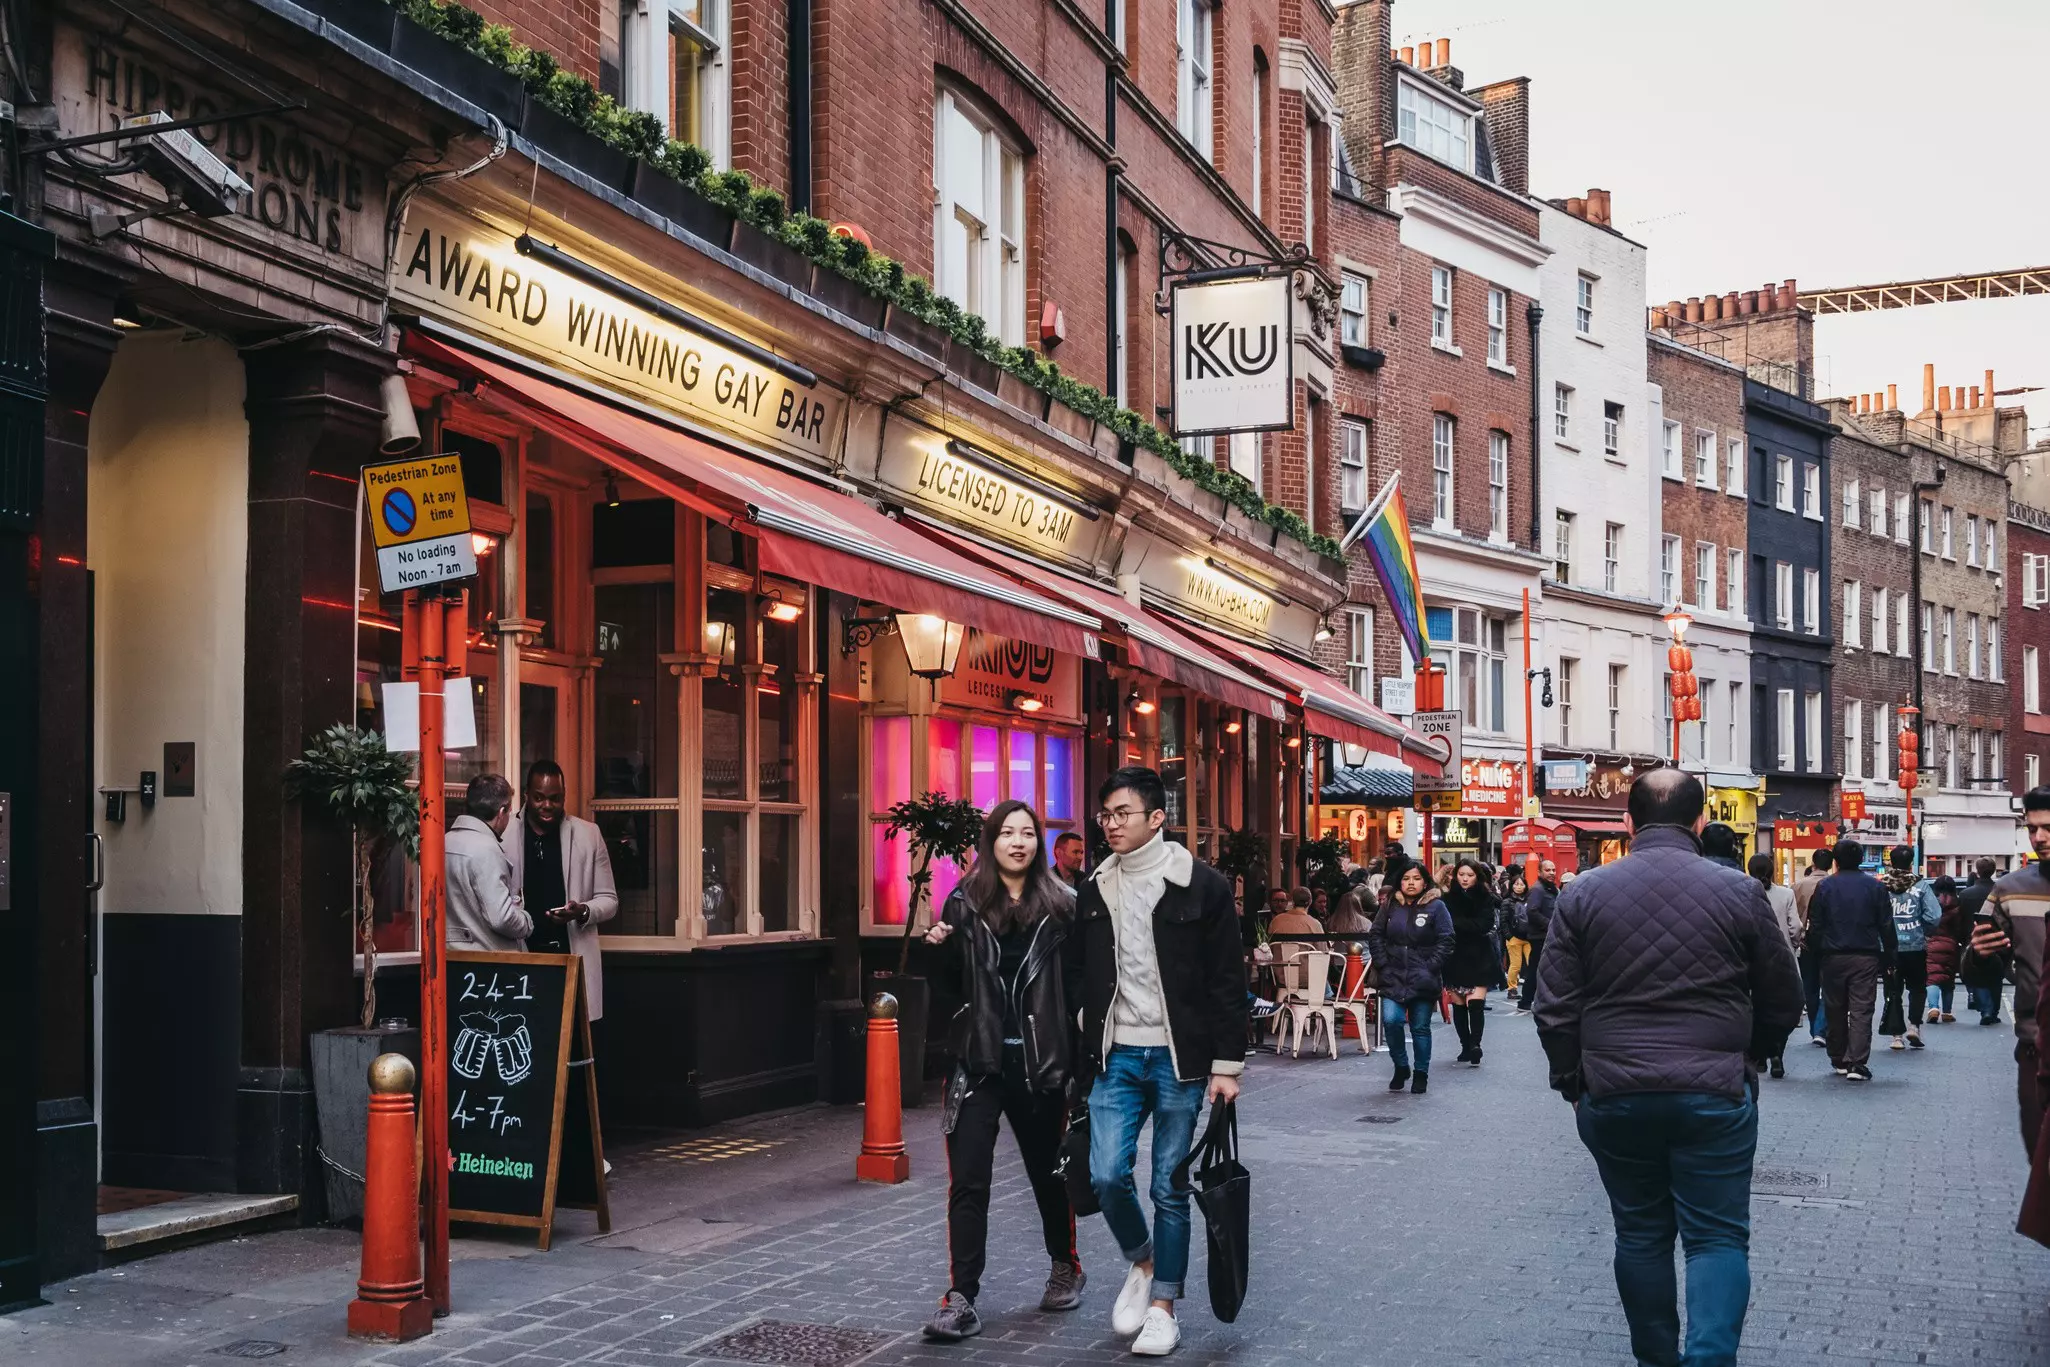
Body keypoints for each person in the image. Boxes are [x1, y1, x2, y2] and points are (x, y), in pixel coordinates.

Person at [1534, 769, 1801, 1367]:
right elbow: (1784, 994)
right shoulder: (1739, 892)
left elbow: (1553, 1006)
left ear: (1627, 823)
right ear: (1700, 822)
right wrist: (1750, 1054)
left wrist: (1573, 1080)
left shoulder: (1581, 894)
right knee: (1716, 1237)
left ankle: (1656, 1358)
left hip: (1615, 1089)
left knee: (1640, 1234)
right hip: (1714, 1089)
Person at [1073, 767, 1244, 1357]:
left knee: (1169, 1185)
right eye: (1105, 815)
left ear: (1156, 818)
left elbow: (1227, 979)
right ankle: (1142, 1262)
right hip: (1114, 1053)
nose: (1111, 824)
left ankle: (1163, 1308)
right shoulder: (1094, 887)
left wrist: (1228, 1065)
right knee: (1104, 1177)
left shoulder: (1203, 887)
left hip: (1182, 1059)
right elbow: (1081, 976)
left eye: (1122, 814)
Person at [919, 801, 1083, 1342]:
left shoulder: (1064, 905)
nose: (1018, 842)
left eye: (1028, 833)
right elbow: (948, 989)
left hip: (1040, 1066)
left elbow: (1080, 986)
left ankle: (1065, 1266)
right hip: (979, 1063)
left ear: (1040, 843)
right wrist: (936, 952)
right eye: (1007, 833)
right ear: (990, 842)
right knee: (968, 1180)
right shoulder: (963, 903)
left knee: (1047, 1175)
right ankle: (961, 1297)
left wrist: (1078, 1063)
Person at [501, 761, 619, 1024]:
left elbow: (609, 900)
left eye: (555, 799)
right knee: (520, 1041)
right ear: (526, 795)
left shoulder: (589, 834)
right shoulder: (503, 833)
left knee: (573, 1051)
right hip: (519, 958)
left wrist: (583, 911)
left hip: (571, 958)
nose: (547, 806)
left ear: (564, 797)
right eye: (539, 798)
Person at [1805, 837, 1898, 1082]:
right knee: (1861, 1009)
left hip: (1832, 956)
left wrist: (1815, 952)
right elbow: (1886, 926)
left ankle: (1838, 1057)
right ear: (1861, 860)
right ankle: (1857, 1062)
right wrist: (1890, 957)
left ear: (1835, 861)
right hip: (1865, 955)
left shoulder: (1825, 887)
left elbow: (1815, 925)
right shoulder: (1876, 888)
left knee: (1835, 1007)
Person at [1367, 864, 1451, 1094]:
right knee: (1391, 1021)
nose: (1411, 883)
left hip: (1423, 978)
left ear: (1425, 882)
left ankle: (1421, 1073)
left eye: (1416, 878)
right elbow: (1375, 935)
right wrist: (1383, 963)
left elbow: (1446, 940)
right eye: (1406, 878)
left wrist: (1430, 967)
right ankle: (1401, 1065)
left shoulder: (1437, 907)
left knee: (1420, 1028)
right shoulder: (1390, 906)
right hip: (1392, 976)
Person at [446, 774, 533, 952]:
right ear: (501, 812)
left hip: (450, 961)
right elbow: (502, 918)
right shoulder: (486, 849)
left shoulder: (445, 842)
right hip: (487, 966)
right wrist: (526, 921)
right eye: (509, 812)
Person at [1440, 858, 1501, 1067]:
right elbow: (1445, 925)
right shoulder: (1447, 899)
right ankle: (1465, 1045)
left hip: (1479, 955)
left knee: (1475, 1003)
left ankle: (1476, 1045)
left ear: (1477, 876)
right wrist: (1467, 925)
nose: (1465, 879)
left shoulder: (1485, 898)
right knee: (1458, 1004)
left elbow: (1485, 925)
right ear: (1455, 876)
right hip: (1454, 956)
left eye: (1470, 875)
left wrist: (1459, 924)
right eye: (1461, 875)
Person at [1879, 845, 1939, 1052]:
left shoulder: (1881, 887)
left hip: (1888, 947)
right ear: (1911, 862)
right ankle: (1914, 1026)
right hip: (1915, 945)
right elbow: (1934, 916)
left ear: (1891, 862)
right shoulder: (1921, 886)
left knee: (1893, 990)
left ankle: (1896, 1036)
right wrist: (1923, 928)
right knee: (1917, 988)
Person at [1748, 854, 1801, 1079]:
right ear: (1772, 871)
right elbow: (1796, 927)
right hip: (1781, 958)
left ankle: (1758, 1054)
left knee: (1754, 1007)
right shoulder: (1786, 894)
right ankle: (1776, 1052)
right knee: (1781, 1008)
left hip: (1751, 959)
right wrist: (1793, 945)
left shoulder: (1741, 892)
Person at [1794, 848, 1835, 1048]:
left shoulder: (1798, 885)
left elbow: (1793, 915)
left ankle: (1815, 1029)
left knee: (1809, 987)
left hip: (1805, 941)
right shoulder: (1834, 885)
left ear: (1813, 864)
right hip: (1830, 942)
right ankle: (1820, 1028)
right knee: (1828, 986)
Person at [1956, 858, 2003, 1024]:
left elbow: (1960, 920)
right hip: (1998, 939)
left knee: (1977, 976)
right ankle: (1994, 1010)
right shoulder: (2000, 892)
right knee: (1996, 977)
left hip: (1973, 940)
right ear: (1993, 870)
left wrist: (1962, 938)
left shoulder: (1966, 894)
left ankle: (1986, 1010)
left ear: (1977, 871)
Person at [1513, 859, 1560, 1014]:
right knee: (1536, 969)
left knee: (1544, 969)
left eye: (1553, 870)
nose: (1552, 873)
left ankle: (1535, 1000)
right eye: (1548, 870)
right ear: (1540, 872)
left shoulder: (1551, 889)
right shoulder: (1538, 889)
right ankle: (1526, 1000)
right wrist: (1550, 924)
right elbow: (1532, 911)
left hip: (1547, 935)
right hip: (1540, 936)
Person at [1925, 877, 1963, 1024]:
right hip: (1951, 945)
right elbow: (1960, 927)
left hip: (1933, 943)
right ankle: (1947, 1012)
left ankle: (1934, 1008)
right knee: (1948, 978)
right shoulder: (1958, 904)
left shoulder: (1931, 902)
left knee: (1933, 977)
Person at [1501, 868, 1532, 997]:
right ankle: (1512, 989)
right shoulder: (1507, 902)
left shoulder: (1530, 900)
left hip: (1529, 937)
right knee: (1516, 965)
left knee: (1532, 963)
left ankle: (1533, 988)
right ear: (1511, 886)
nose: (1519, 887)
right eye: (1516, 884)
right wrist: (1509, 936)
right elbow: (1503, 921)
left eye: (1522, 884)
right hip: (1514, 938)